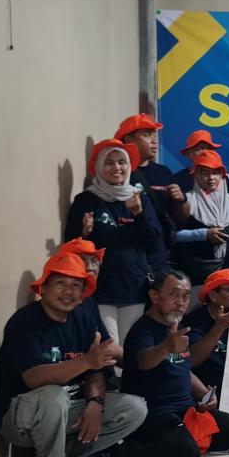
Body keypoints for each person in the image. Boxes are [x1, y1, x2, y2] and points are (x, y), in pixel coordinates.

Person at [0, 253, 147, 457]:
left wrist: (95, 403)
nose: (68, 291)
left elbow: (97, 369)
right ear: (43, 288)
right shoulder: (24, 321)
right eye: (60, 283)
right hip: (19, 417)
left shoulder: (84, 319)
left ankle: (74, 456)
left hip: (67, 408)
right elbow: (34, 378)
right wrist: (85, 361)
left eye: (76, 285)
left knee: (134, 408)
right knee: (53, 397)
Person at [121, 270, 229, 457]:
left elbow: (183, 368)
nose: (180, 302)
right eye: (174, 295)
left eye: (186, 296)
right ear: (154, 296)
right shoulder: (143, 329)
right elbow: (144, 361)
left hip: (185, 408)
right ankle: (116, 454)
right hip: (156, 412)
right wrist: (166, 347)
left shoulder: (177, 325)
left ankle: (183, 439)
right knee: (186, 454)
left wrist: (204, 394)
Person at [65, 138, 163, 345]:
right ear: (99, 167)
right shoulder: (86, 200)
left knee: (130, 347)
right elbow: (70, 245)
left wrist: (138, 213)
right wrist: (84, 233)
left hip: (133, 286)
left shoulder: (138, 198)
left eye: (121, 162)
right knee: (109, 346)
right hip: (100, 288)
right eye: (109, 163)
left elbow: (154, 242)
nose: (116, 167)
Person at [117, 113, 186, 279]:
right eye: (147, 135)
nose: (154, 141)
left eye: (155, 135)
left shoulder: (163, 172)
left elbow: (180, 219)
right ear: (128, 139)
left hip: (161, 255)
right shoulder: (119, 174)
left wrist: (181, 200)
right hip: (130, 255)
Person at [171, 149, 229, 287]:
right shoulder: (187, 201)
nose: (211, 178)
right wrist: (204, 234)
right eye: (205, 173)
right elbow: (173, 235)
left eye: (215, 173)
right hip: (195, 272)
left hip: (226, 269)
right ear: (197, 176)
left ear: (222, 175)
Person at [183, 268, 229, 391]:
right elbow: (192, 360)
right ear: (213, 296)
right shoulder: (195, 320)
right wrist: (219, 327)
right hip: (210, 387)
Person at [173, 129, 229, 195]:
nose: (205, 152)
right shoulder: (178, 179)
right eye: (199, 149)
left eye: (208, 148)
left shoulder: (222, 177)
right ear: (189, 154)